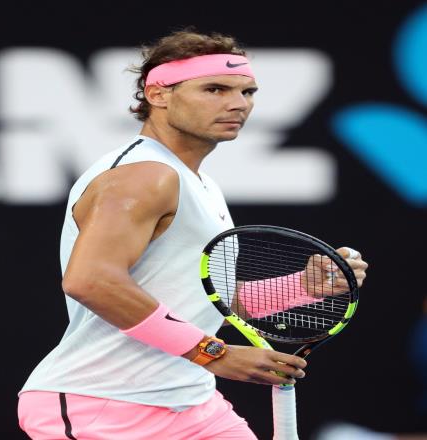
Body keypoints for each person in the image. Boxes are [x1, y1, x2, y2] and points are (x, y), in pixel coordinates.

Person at [18, 30, 369, 440]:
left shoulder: (198, 182)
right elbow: (91, 281)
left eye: (247, 92)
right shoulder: (144, 176)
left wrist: (301, 287)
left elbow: (204, 300)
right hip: (104, 406)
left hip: (193, 405)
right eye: (214, 89)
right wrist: (213, 354)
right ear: (158, 94)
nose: (238, 103)